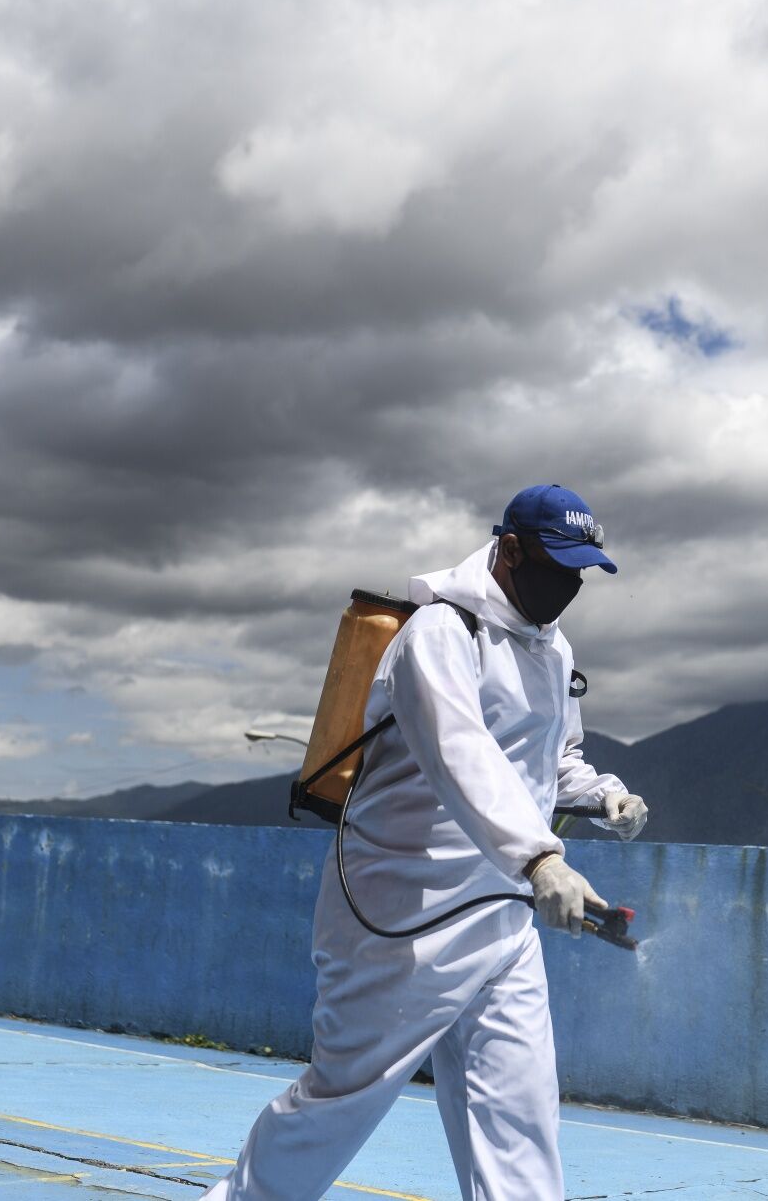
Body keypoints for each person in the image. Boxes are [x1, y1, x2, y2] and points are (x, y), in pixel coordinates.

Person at [203, 484, 650, 1201]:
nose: (568, 584)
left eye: (581, 572)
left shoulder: (552, 648)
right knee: (338, 1106)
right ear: (509, 549)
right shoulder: (440, 634)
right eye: (557, 564)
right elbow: (460, 754)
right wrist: (541, 858)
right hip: (405, 918)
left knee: (520, 1121)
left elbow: (547, 757)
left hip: (502, 915)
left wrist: (604, 796)